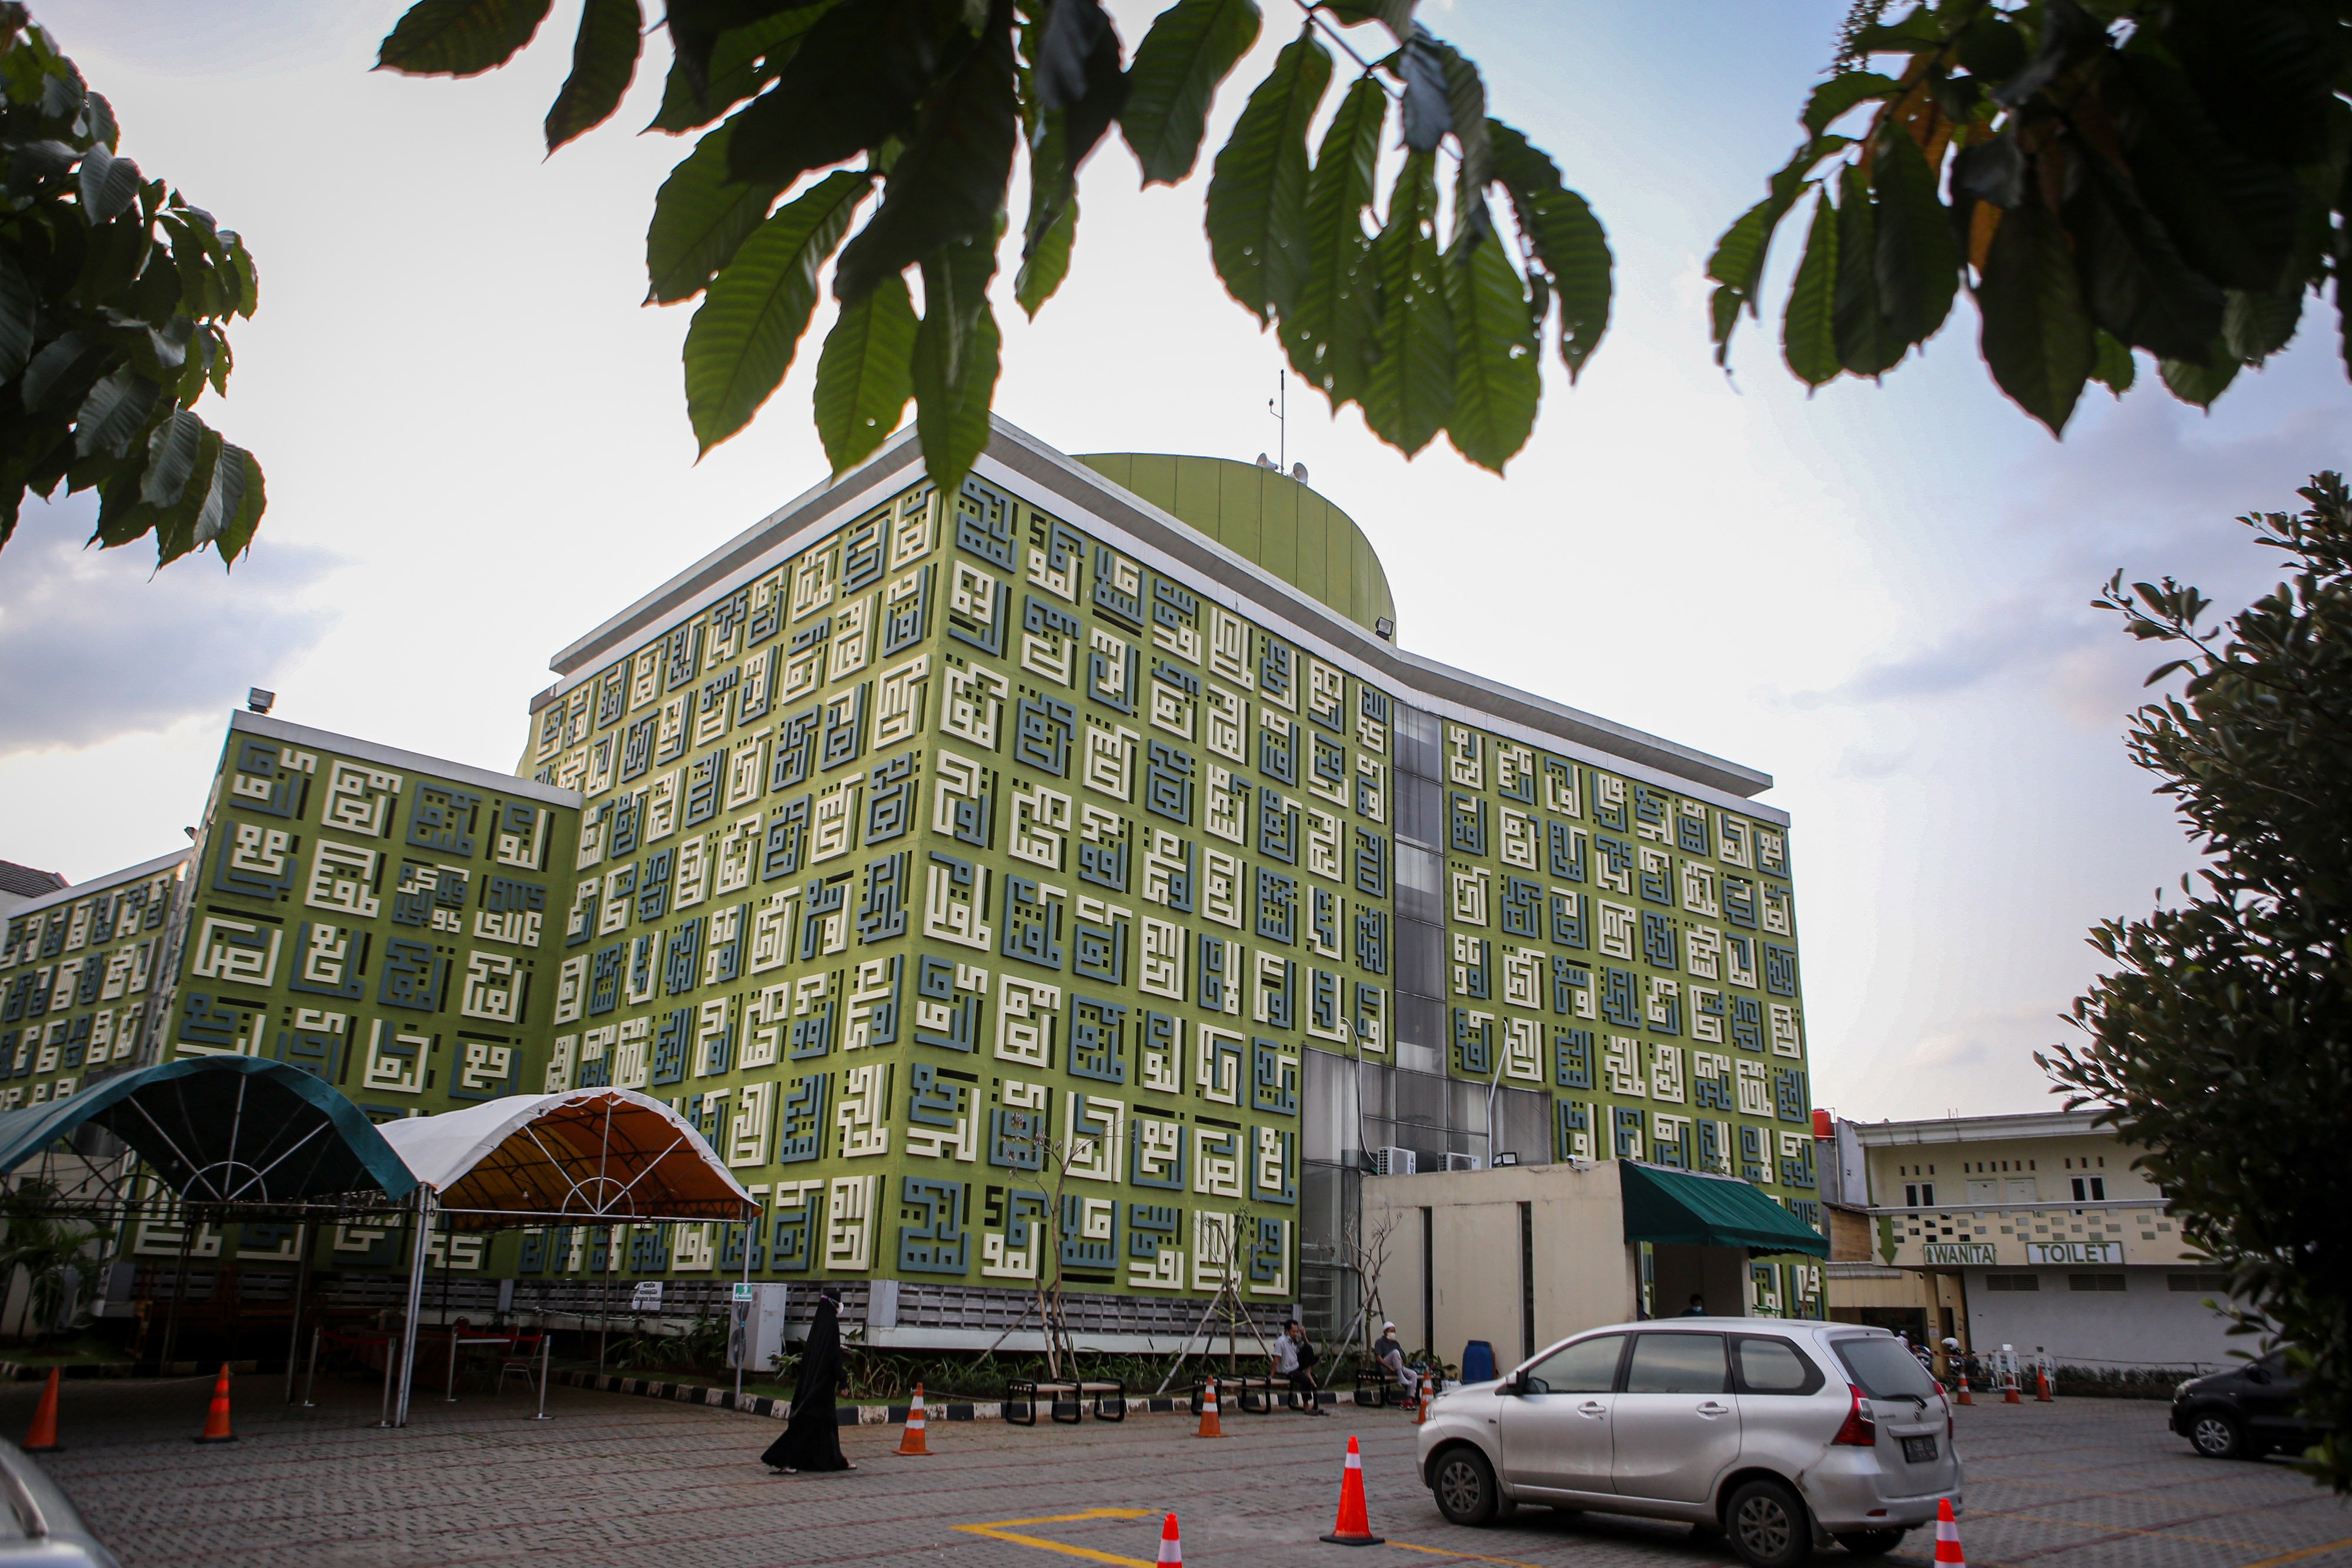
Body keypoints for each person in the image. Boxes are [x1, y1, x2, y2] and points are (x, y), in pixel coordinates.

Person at [762, 1290, 853, 1473]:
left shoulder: (818, 1326)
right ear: (835, 1305)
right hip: (822, 1388)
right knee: (805, 1425)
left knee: (826, 1426)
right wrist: (843, 1381)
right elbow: (833, 1358)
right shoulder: (832, 1327)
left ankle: (835, 1461)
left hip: (812, 1383)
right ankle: (780, 1459)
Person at [1271, 1321, 1328, 1416]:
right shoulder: (1280, 1342)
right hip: (1287, 1370)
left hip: (1296, 1365)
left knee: (1309, 1348)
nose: (1296, 1334)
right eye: (1294, 1332)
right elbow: (1276, 1360)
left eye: (1297, 1332)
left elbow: (1307, 1346)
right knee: (1305, 1380)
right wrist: (1271, 1376)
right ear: (1287, 1331)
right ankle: (1307, 1407)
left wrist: (1304, 1335)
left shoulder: (1293, 1341)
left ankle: (1308, 1372)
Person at [1372, 1322, 1414, 1407]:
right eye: (1391, 1332)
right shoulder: (1380, 1342)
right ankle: (1401, 1377)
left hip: (1396, 1368)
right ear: (1385, 1332)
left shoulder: (1396, 1343)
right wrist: (1388, 1366)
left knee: (1413, 1374)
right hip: (1384, 1367)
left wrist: (1401, 1364)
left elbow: (1401, 1358)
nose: (1393, 1334)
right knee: (1395, 1352)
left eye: (1394, 1332)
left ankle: (1410, 1399)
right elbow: (1378, 1357)